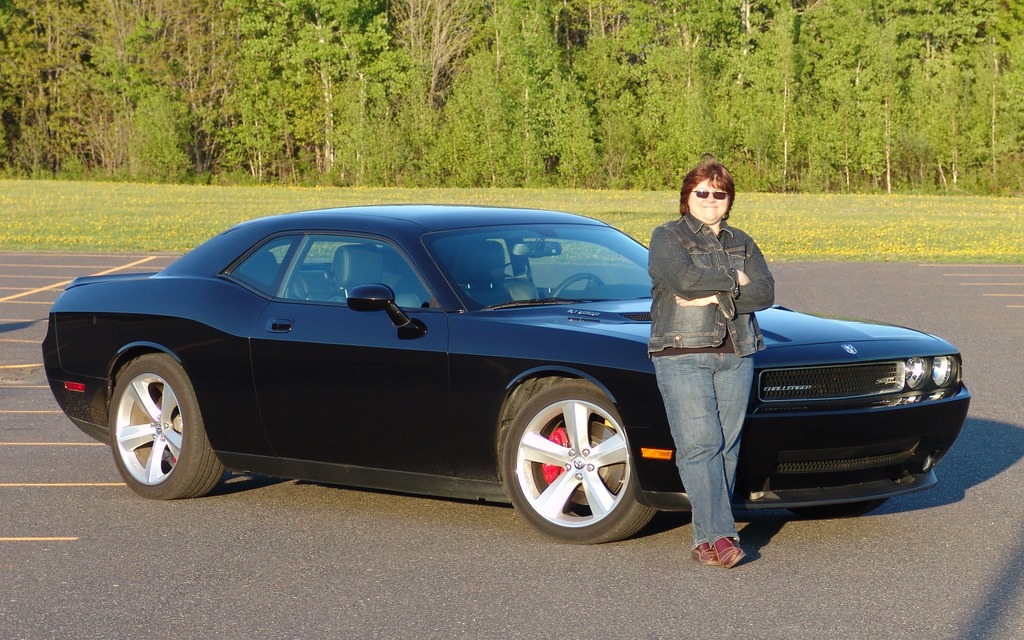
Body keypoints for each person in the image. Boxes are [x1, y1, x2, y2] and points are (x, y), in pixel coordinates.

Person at [648, 154, 775, 568]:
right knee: (700, 445)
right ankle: (723, 535)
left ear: (729, 200)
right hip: (682, 351)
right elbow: (682, 280)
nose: (710, 199)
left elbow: (765, 294)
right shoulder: (666, 237)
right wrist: (735, 281)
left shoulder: (743, 241)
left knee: (727, 448)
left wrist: (710, 294)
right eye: (701, 192)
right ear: (687, 197)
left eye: (719, 193)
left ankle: (704, 541)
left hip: (738, 352)